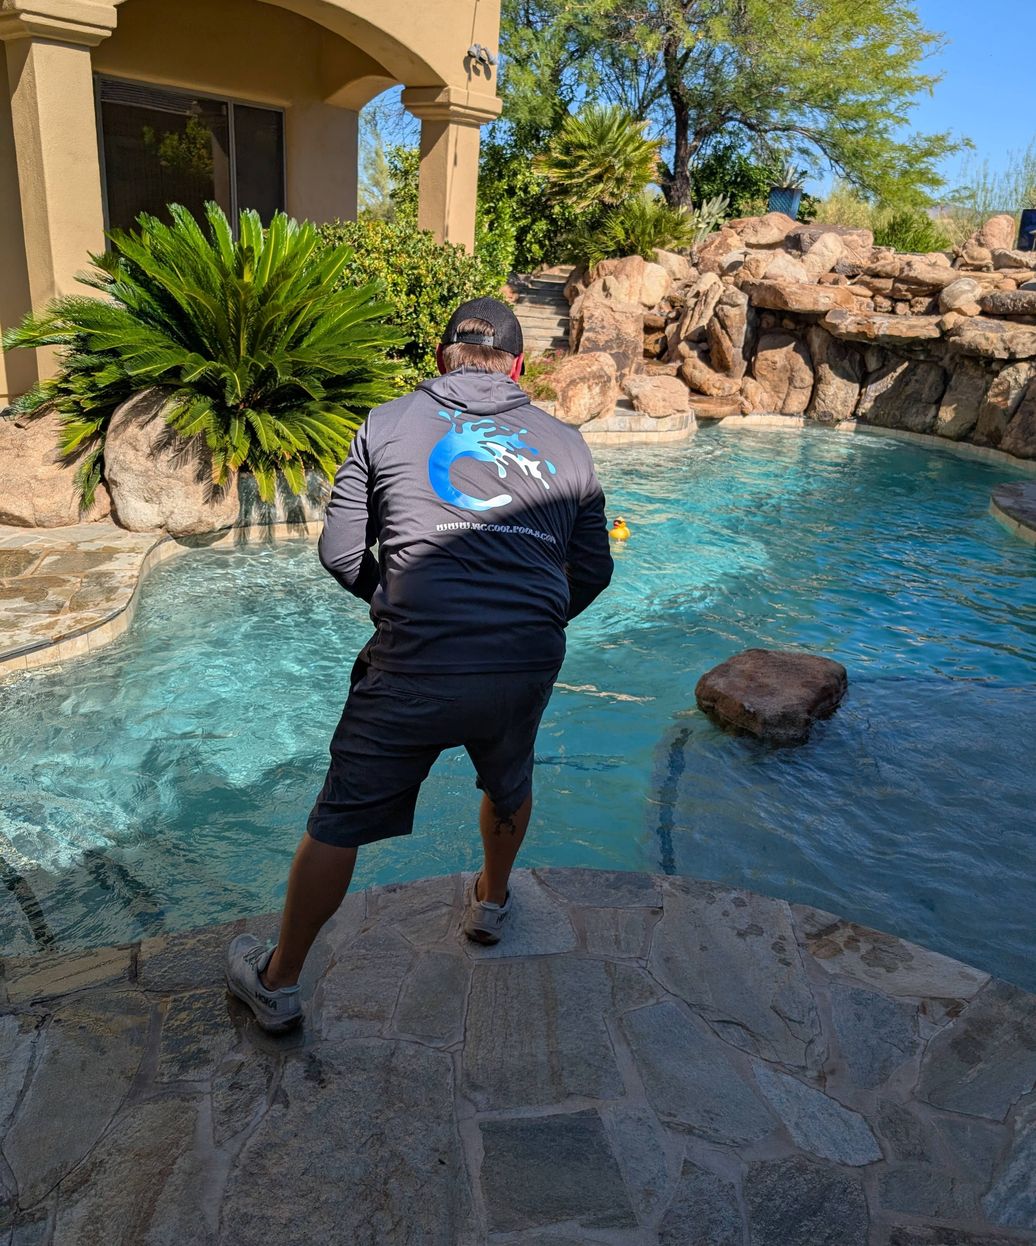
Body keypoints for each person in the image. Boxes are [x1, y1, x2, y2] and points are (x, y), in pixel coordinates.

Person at [226, 296, 614, 1032]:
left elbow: (340, 553)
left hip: (415, 661)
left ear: (440, 358)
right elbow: (593, 570)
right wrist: (529, 621)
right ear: (520, 365)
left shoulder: (387, 422)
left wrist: (393, 600)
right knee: (509, 780)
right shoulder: (568, 444)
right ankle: (491, 905)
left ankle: (277, 983)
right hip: (524, 658)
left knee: (338, 819)